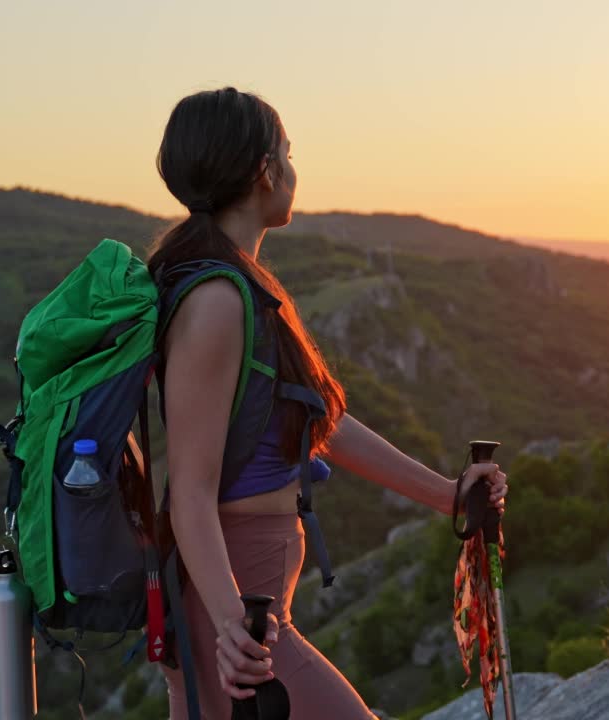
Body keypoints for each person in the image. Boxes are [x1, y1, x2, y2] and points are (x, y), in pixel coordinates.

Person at [148, 86, 509, 719]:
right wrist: (235, 624)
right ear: (266, 171)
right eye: (287, 153)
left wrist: (448, 497)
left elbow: (324, 424)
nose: (293, 168)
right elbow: (191, 493)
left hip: (240, 610)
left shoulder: (240, 285)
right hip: (236, 615)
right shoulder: (216, 303)